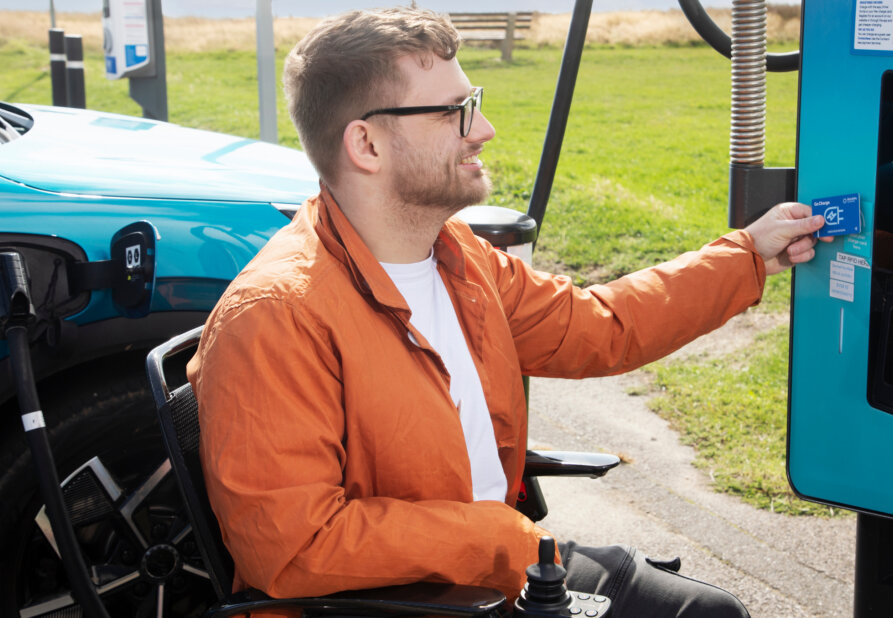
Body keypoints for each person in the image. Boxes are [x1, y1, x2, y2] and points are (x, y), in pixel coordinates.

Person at [187, 7, 826, 617]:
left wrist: (746, 255)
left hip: (488, 571)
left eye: (477, 104)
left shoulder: (453, 254)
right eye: (454, 112)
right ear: (367, 145)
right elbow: (294, 548)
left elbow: (597, 327)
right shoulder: (275, 315)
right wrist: (501, 540)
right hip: (412, 599)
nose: (483, 130)